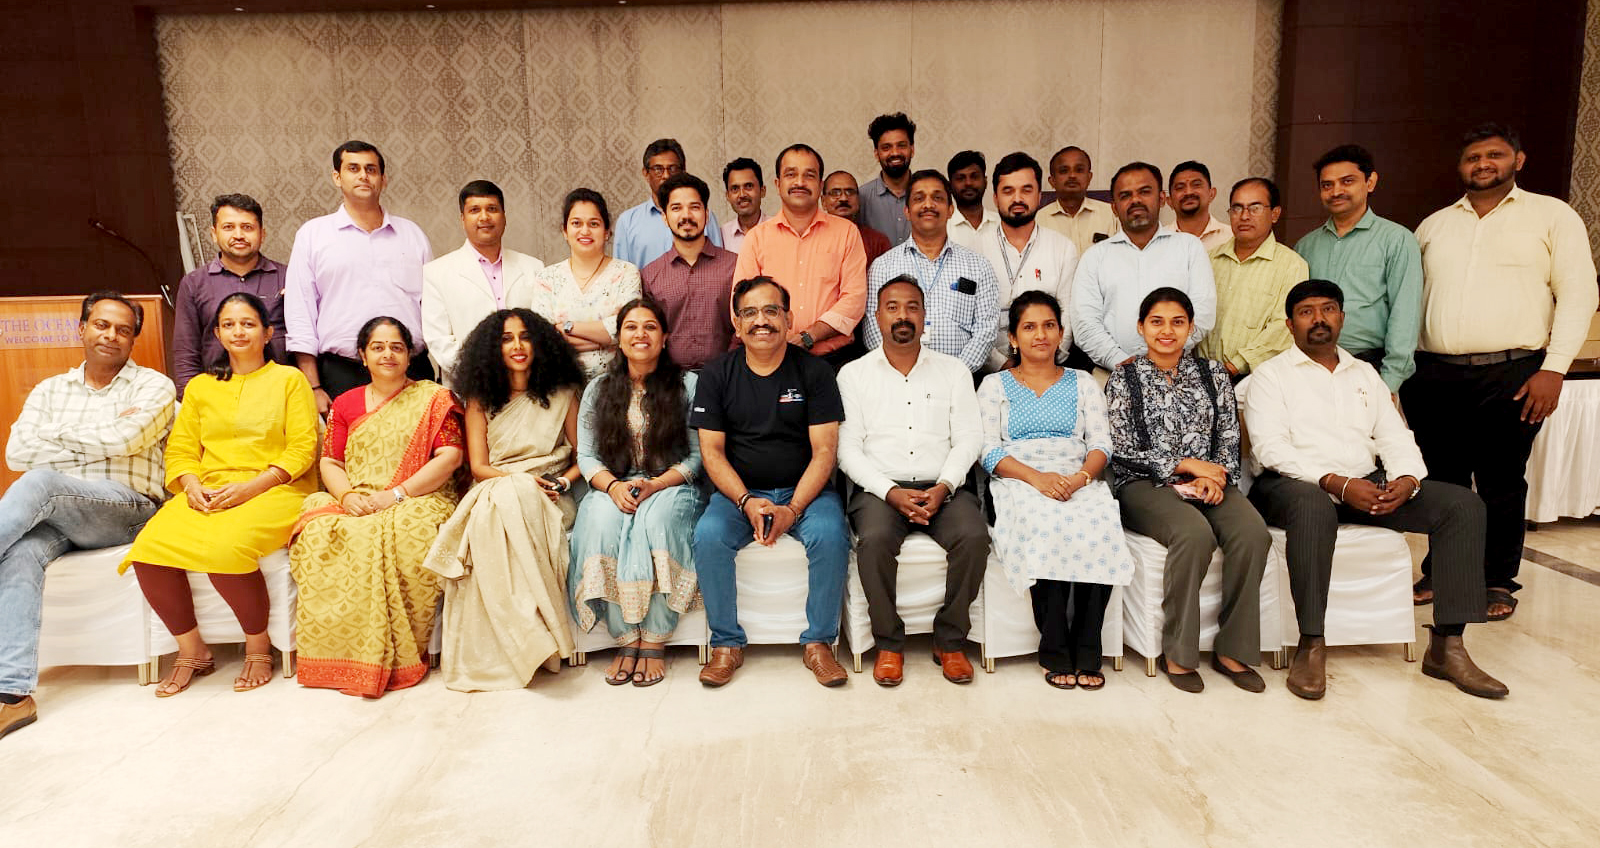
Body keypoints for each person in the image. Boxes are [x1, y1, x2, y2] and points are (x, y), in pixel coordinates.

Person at [1245, 280, 1508, 700]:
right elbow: (1271, 449)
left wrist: (1406, 480)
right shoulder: (1270, 376)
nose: (1318, 319)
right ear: (1290, 324)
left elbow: (1395, 436)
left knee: (1462, 505)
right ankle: (1311, 644)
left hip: (1366, 485)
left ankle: (1448, 646)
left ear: (1342, 318)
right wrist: (1337, 483)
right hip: (1290, 486)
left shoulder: (1364, 374)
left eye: (1328, 309)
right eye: (1307, 312)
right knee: (1313, 506)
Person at [1407, 124, 1599, 619]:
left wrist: (1555, 369)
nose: (1483, 164)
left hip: (1514, 374)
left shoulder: (1552, 216)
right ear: (1460, 166)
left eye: (1494, 154)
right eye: (1473, 157)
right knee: (1443, 482)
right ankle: (1442, 570)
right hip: (1436, 375)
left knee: (1501, 479)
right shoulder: (1433, 226)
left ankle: (1496, 580)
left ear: (1519, 159)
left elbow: (1579, 294)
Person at [123, 293, 317, 697]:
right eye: (229, 324)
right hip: (208, 487)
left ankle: (258, 647)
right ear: (217, 333)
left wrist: (252, 487)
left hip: (275, 488)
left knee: (226, 546)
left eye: (248, 324)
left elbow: (302, 448)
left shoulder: (289, 380)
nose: (238, 332)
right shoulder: (200, 387)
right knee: (148, 549)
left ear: (268, 332)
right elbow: (181, 449)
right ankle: (192, 650)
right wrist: (190, 485)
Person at [1, 292, 174, 738]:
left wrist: (56, 438)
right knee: (20, 552)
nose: (111, 335)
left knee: (42, 481)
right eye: (101, 325)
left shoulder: (153, 387)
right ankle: (13, 697)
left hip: (127, 508)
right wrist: (101, 434)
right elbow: (17, 452)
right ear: (82, 328)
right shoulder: (50, 390)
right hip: (60, 513)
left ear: (133, 339)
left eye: (123, 330)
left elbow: (125, 441)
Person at [289, 317, 464, 698]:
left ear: (410, 356)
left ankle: (402, 654)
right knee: (318, 527)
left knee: (407, 530)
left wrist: (396, 494)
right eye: (378, 347)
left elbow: (450, 457)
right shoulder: (346, 402)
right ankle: (338, 656)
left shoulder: (434, 398)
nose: (388, 354)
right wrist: (348, 497)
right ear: (362, 355)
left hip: (418, 496)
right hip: (356, 496)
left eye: (397, 347)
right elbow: (330, 462)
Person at [1105, 287, 1268, 693]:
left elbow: (1229, 437)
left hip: (1210, 481)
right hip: (1144, 484)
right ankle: (1178, 652)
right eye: (1157, 322)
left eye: (1177, 322)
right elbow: (1120, 447)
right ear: (1141, 327)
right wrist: (1185, 465)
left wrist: (1214, 477)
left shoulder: (1213, 374)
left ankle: (1234, 650)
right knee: (1193, 534)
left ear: (1191, 328)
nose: (1167, 331)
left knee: (1252, 533)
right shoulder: (1124, 377)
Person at [691, 277, 851, 688]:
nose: (761, 320)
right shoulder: (716, 374)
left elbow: (825, 452)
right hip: (739, 493)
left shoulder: (815, 372)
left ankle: (819, 643)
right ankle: (726, 645)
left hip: (805, 492)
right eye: (750, 312)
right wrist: (746, 501)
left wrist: (792, 509)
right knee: (708, 536)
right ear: (736, 323)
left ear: (788, 318)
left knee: (831, 535)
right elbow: (712, 453)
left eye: (771, 311)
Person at [424, 309, 586, 691]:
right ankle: (525, 642)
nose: (517, 346)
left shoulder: (563, 394)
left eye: (525, 336)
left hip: (550, 494)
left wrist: (562, 482)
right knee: (503, 503)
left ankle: (531, 638)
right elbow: (480, 467)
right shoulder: (480, 399)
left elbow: (583, 457)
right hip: (497, 487)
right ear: (492, 349)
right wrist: (520, 482)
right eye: (506, 339)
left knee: (511, 502)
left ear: (540, 343)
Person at [839, 279, 988, 686]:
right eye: (892, 307)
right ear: (876, 317)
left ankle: (950, 640)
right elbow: (847, 449)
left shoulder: (954, 371)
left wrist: (944, 486)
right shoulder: (853, 375)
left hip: (943, 486)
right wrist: (889, 492)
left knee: (974, 537)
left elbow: (969, 438)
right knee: (874, 541)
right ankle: (889, 643)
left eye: (912, 307)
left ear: (925, 316)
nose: (902, 316)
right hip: (880, 490)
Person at [980, 291, 1132, 690]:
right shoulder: (994, 386)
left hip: (1078, 478)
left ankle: (1088, 646)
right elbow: (988, 450)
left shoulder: (1083, 382)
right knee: (1046, 524)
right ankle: (1054, 646)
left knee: (1100, 523)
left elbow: (1101, 443)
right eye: (1029, 327)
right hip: (1019, 481)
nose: (1040, 335)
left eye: (1049, 326)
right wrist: (1037, 479)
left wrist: (1080, 479)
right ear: (1013, 337)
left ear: (1061, 333)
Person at [570, 298, 704, 687]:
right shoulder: (598, 389)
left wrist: (656, 485)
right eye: (631, 327)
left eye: (650, 327)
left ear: (665, 337)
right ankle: (626, 639)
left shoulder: (688, 385)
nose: (640, 334)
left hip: (672, 483)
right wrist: (613, 487)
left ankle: (655, 639)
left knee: (656, 519)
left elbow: (697, 456)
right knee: (600, 522)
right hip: (614, 483)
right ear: (618, 338)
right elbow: (587, 456)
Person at [286, 140, 434, 412]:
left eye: (371, 169)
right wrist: (313, 386)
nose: (363, 175)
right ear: (337, 177)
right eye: (353, 168)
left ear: (383, 179)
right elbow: (300, 314)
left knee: (419, 442)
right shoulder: (313, 235)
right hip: (342, 374)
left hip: (411, 371)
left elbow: (433, 309)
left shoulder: (412, 234)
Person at [1293, 144, 1422, 394]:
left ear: (1370, 182)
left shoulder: (1396, 240)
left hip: (1371, 367)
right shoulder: (1306, 246)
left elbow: (1405, 314)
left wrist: (1389, 383)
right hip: (1311, 368)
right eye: (1327, 185)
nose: (1336, 191)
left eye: (1347, 181)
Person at [1072, 162, 1217, 371]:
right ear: (1114, 208)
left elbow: (1202, 314)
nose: (1135, 200)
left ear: (1161, 199)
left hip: (1175, 373)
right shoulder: (1095, 256)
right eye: (1125, 195)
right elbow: (1085, 324)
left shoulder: (1189, 247)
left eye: (1144, 192)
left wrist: (1164, 354)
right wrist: (1123, 364)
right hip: (1110, 373)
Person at [734, 145, 868, 368]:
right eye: (791, 174)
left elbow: (854, 299)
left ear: (820, 185)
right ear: (777, 184)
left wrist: (809, 336)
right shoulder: (756, 238)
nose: (799, 182)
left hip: (834, 361)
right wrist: (777, 338)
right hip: (771, 361)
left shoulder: (846, 233)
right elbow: (740, 303)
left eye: (809, 175)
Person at [861, 170, 999, 372]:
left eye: (937, 198)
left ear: (950, 210)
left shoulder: (978, 266)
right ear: (907, 211)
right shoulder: (883, 267)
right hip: (897, 379)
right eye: (919, 198)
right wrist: (903, 372)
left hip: (960, 379)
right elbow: (873, 330)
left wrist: (954, 376)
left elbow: (986, 330)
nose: (928, 205)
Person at [421, 179, 545, 388]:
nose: (484, 217)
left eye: (492, 209)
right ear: (462, 219)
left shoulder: (533, 267)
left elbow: (543, 330)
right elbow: (439, 340)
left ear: (504, 216)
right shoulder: (437, 272)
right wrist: (485, 374)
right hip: (471, 388)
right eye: (474, 210)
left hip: (529, 385)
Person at [172, 194, 288, 399]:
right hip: (217, 395)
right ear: (214, 234)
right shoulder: (194, 284)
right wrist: (191, 400)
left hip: (279, 393)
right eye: (228, 227)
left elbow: (305, 339)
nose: (238, 235)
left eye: (247, 227)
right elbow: (186, 352)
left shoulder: (288, 277)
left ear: (262, 234)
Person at [1197, 177, 1309, 379]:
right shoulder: (1209, 259)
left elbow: (1283, 328)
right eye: (1237, 208)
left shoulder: (1292, 265)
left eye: (1255, 208)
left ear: (1275, 214)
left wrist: (1234, 366)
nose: (1244, 216)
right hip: (1201, 374)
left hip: (1256, 377)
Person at [976, 152, 1080, 370]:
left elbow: (1068, 317)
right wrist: (1001, 365)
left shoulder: (1063, 248)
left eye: (1026, 190)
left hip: (1049, 368)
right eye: (1008, 191)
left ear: (1039, 195)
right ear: (995, 198)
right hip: (989, 370)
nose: (1017, 199)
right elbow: (970, 318)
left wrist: (1046, 362)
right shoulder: (976, 249)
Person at [531, 188, 642, 380]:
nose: (585, 231)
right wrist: (607, 340)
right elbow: (543, 338)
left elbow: (628, 330)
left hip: (616, 383)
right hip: (561, 383)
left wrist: (567, 326)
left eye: (594, 224)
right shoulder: (547, 278)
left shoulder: (626, 273)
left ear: (607, 232)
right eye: (576, 223)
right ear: (565, 231)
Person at [641, 172, 738, 370]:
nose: (686, 216)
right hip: (671, 380)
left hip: (726, 375)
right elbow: (650, 334)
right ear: (665, 217)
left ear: (706, 214)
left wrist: (728, 370)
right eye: (676, 208)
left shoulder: (735, 266)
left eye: (694, 207)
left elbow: (745, 322)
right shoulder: (650, 275)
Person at [612, 138, 724, 268]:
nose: (666, 175)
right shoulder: (627, 222)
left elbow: (719, 264)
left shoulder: (702, 216)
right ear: (646, 173)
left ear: (683, 171)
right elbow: (621, 273)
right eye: (658, 169)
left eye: (673, 168)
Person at [1038, 146, 1119, 255]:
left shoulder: (1112, 215)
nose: (1072, 176)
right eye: (1064, 171)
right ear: (1052, 181)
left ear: (1089, 177)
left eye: (1079, 170)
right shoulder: (1038, 221)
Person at [858, 112, 916, 243]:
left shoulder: (927, 195)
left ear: (912, 149)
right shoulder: (861, 198)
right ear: (876, 154)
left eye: (901, 145)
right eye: (886, 147)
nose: (895, 153)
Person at [822, 170, 893, 264]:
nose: (843, 198)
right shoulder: (814, 237)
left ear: (858, 199)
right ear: (823, 202)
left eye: (850, 192)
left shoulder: (877, 241)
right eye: (835, 193)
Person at [1162, 161, 1230, 250]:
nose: (1188, 192)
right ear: (1169, 201)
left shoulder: (1231, 238)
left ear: (1211, 194)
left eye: (1196, 185)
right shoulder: (1159, 242)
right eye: (1180, 188)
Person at [946, 150, 999, 252]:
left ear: (985, 181)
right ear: (949, 186)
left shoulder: (1002, 224)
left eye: (974, 177)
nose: (968, 183)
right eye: (960, 178)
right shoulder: (942, 229)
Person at [720, 157, 768, 254]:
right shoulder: (721, 236)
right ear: (727, 196)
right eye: (735, 188)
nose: (742, 194)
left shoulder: (779, 231)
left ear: (762, 191)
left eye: (749, 186)